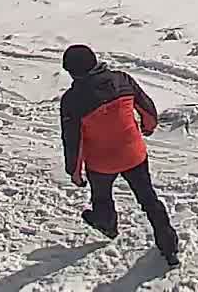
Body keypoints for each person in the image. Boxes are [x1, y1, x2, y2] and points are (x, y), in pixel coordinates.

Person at [59, 44, 180, 267]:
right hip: (134, 154)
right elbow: (147, 108)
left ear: (71, 72)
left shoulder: (72, 100)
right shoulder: (122, 80)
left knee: (102, 197)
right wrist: (149, 126)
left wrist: (75, 173)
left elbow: (73, 141)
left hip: (101, 163)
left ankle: (107, 224)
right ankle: (169, 246)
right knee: (148, 199)